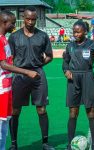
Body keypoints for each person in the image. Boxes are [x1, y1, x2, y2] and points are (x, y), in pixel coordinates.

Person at [8, 6, 54, 150]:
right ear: (24, 17)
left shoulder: (43, 36)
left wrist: (39, 65)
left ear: (37, 19)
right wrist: (21, 71)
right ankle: (14, 144)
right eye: (28, 19)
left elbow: (50, 56)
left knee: (41, 109)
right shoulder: (14, 37)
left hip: (38, 77)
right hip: (19, 77)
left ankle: (45, 143)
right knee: (15, 110)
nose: (30, 22)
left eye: (33, 19)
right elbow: (10, 59)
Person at [62, 20, 94, 150]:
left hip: (88, 77)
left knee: (91, 111)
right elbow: (65, 62)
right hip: (73, 80)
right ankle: (69, 144)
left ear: (85, 31)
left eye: (78, 31)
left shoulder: (92, 44)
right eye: (74, 32)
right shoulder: (70, 46)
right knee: (73, 112)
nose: (75, 34)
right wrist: (66, 70)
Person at [0, 10, 39, 150]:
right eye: (12, 23)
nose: (14, 26)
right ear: (4, 23)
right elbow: (3, 64)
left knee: (4, 125)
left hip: (6, 89)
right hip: (1, 90)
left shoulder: (4, 39)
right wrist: (27, 72)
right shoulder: (0, 39)